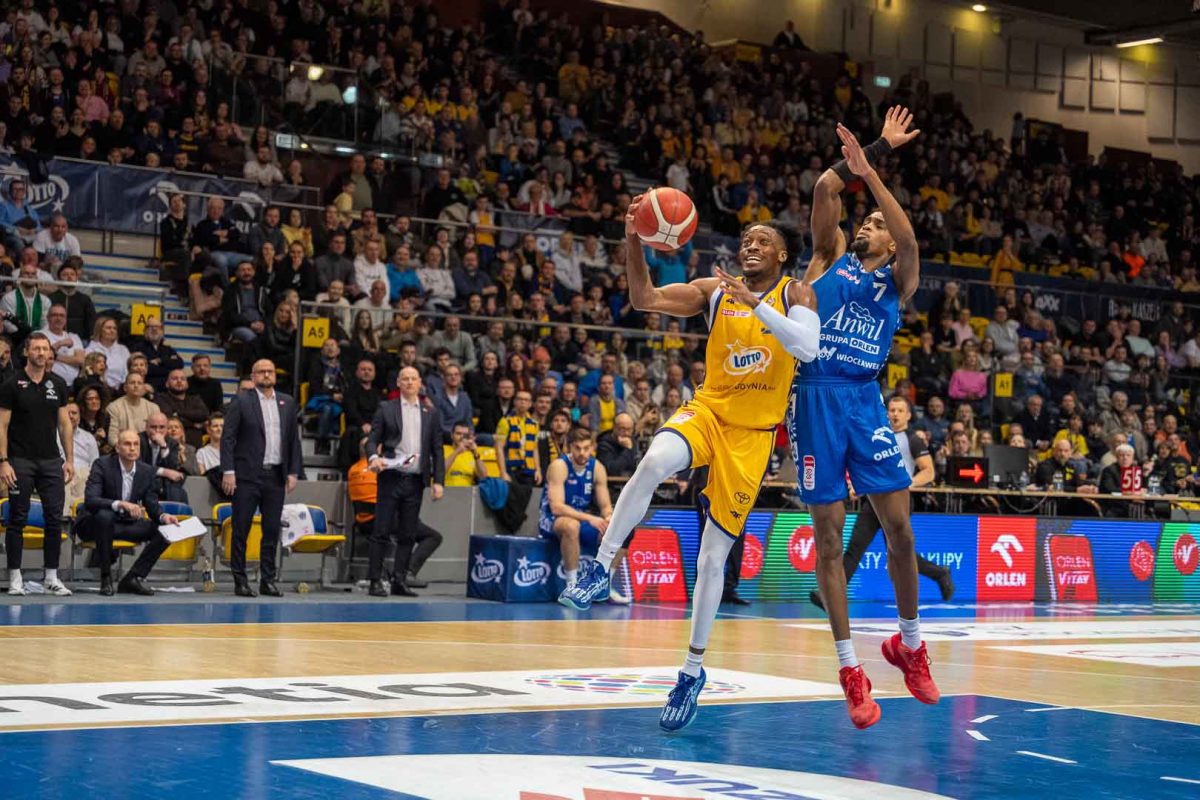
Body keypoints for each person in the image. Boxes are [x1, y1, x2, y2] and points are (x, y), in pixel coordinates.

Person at [558, 191, 821, 738]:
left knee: (711, 559)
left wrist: (756, 305)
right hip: (708, 411)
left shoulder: (796, 292)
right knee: (653, 461)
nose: (751, 245)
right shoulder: (713, 290)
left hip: (752, 438)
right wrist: (633, 237)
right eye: (746, 239)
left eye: (763, 241)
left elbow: (807, 348)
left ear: (781, 255)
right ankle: (601, 565)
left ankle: (691, 672)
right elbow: (644, 297)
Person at [790, 110, 938, 729]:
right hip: (814, 399)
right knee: (828, 539)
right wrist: (869, 151)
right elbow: (826, 187)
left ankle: (910, 645)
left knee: (899, 529)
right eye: (866, 221)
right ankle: (851, 670)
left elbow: (911, 241)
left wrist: (874, 176)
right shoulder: (828, 257)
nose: (867, 226)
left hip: (864, 400)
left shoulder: (898, 281)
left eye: (876, 224)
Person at [810, 396, 953, 613]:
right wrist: (858, 486)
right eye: (892, 410)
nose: (895, 414)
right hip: (873, 500)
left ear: (909, 415)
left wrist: (905, 484)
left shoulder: (912, 439)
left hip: (898, 501)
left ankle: (939, 572)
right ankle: (829, 596)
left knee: (899, 551)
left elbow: (928, 471)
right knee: (855, 547)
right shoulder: (876, 435)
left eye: (900, 410)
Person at [220, 359, 303, 597]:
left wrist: (293, 471)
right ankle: (240, 580)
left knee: (271, 530)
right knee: (241, 529)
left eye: (270, 371)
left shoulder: (287, 402)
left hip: (275, 475)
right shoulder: (241, 401)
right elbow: (228, 438)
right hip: (246, 475)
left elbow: (293, 440)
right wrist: (228, 471)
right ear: (253, 376)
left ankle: (268, 580)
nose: (266, 375)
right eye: (261, 372)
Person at [0, 332, 74, 596]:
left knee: (54, 518)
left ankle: (51, 577)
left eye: (45, 349)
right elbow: (2, 425)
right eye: (37, 349)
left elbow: (65, 424)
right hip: (20, 460)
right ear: (26, 352)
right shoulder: (11, 383)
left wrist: (70, 459)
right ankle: (15, 577)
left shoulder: (58, 383)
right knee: (17, 519)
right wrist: (3, 461)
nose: (42, 353)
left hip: (51, 461)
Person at [365, 367, 445, 597]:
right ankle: (375, 580)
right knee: (381, 530)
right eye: (405, 379)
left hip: (416, 480)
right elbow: (372, 440)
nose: (410, 382)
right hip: (391, 476)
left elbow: (437, 449)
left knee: (408, 533)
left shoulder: (431, 413)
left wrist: (438, 481)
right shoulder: (386, 408)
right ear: (398, 383)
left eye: (413, 379)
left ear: (420, 383)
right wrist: (373, 457)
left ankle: (399, 580)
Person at [73, 429, 179, 596]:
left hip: (123, 524)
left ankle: (132, 578)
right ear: (117, 448)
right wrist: (121, 504)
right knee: (105, 516)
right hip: (94, 523)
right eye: (127, 444)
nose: (132, 448)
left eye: (136, 444)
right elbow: (91, 500)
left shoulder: (146, 471)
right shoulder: (102, 465)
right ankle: (106, 577)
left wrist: (163, 516)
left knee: (165, 531)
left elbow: (151, 504)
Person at [539, 426, 614, 589]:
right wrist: (591, 518)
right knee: (571, 526)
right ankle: (572, 586)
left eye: (586, 448)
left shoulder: (597, 467)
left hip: (581, 518)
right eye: (577, 448)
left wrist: (609, 517)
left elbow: (605, 505)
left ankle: (604, 585)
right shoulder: (559, 466)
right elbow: (556, 508)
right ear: (569, 447)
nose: (582, 453)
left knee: (619, 531)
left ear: (592, 447)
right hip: (552, 519)